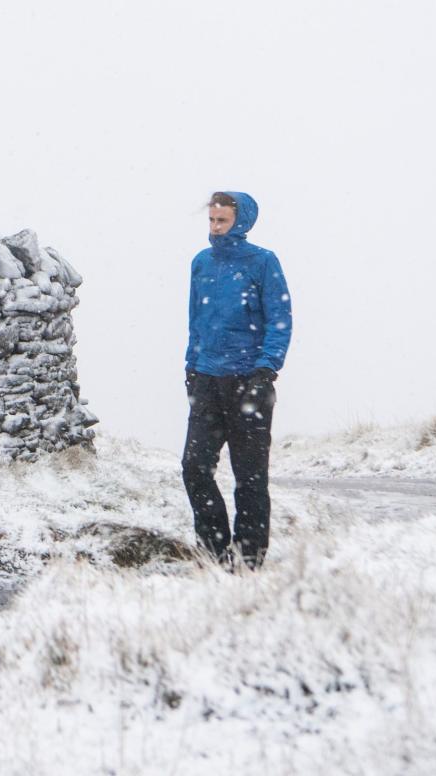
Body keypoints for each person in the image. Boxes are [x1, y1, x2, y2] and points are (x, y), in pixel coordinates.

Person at [183, 191, 292, 570]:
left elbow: (280, 320)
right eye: (211, 220)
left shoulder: (262, 263)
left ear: (240, 221)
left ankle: (248, 558)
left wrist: (265, 371)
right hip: (207, 381)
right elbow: (196, 321)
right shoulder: (201, 263)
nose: (214, 227)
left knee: (249, 477)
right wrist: (191, 369)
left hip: (250, 383)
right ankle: (214, 552)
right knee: (194, 467)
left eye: (222, 221)